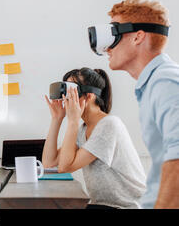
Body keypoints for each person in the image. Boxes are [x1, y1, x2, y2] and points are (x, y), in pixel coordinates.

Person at [105, 0, 179, 208]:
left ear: (138, 37)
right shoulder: (153, 84)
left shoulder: (166, 82)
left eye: (114, 36)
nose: (107, 48)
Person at [42, 67, 146, 209]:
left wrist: (73, 121)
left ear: (89, 96)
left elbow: (65, 168)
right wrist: (56, 119)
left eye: (71, 93)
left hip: (126, 206)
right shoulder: (83, 129)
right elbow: (50, 164)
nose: (66, 98)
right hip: (103, 205)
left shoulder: (109, 125)